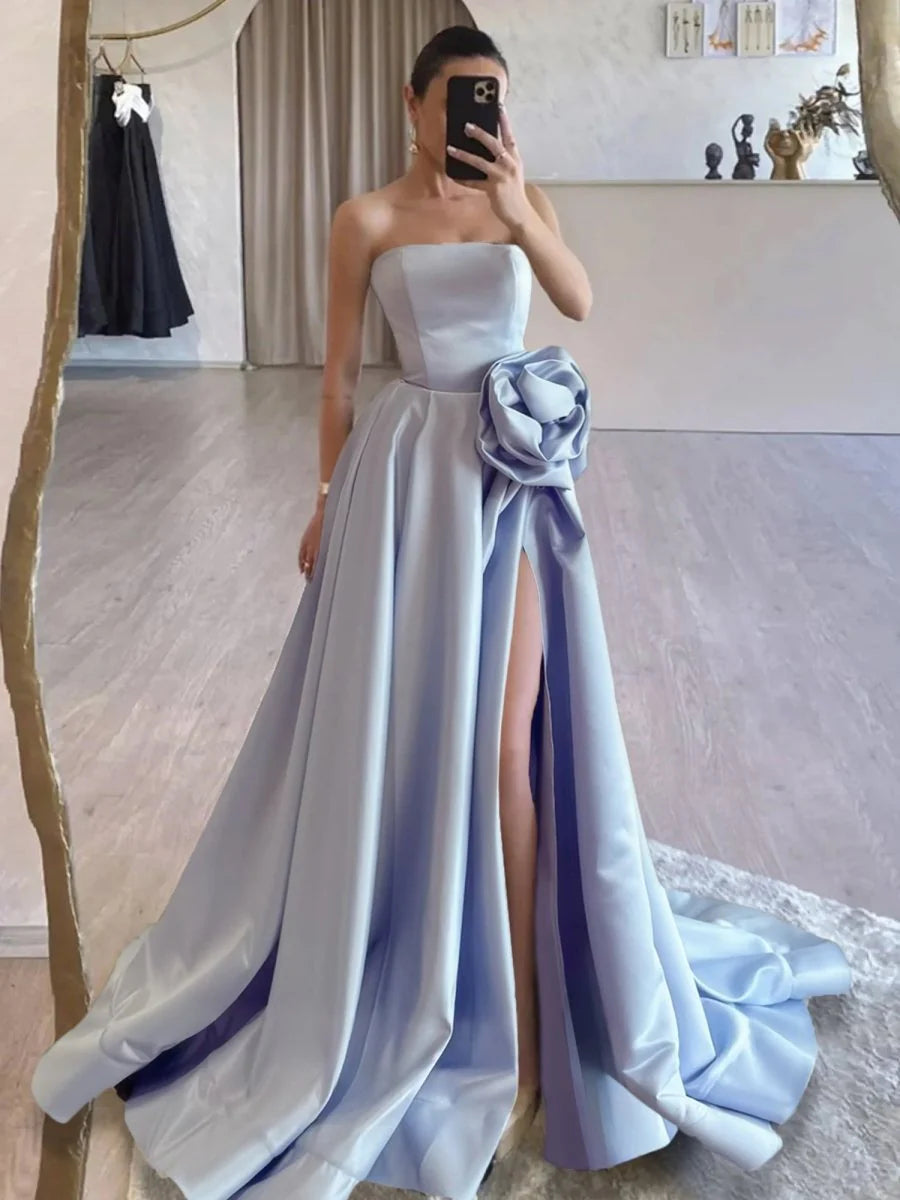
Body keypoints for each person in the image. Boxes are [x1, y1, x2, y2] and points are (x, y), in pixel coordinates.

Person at [31, 24, 853, 1200]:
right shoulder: (363, 219)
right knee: (403, 735)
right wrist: (326, 501)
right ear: (412, 103)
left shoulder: (524, 199)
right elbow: (334, 381)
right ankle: (407, 968)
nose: (483, 117)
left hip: (512, 485)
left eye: (497, 99)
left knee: (507, 747)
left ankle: (521, 1042)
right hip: (406, 482)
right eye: (464, 98)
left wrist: (519, 211)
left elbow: (577, 298)